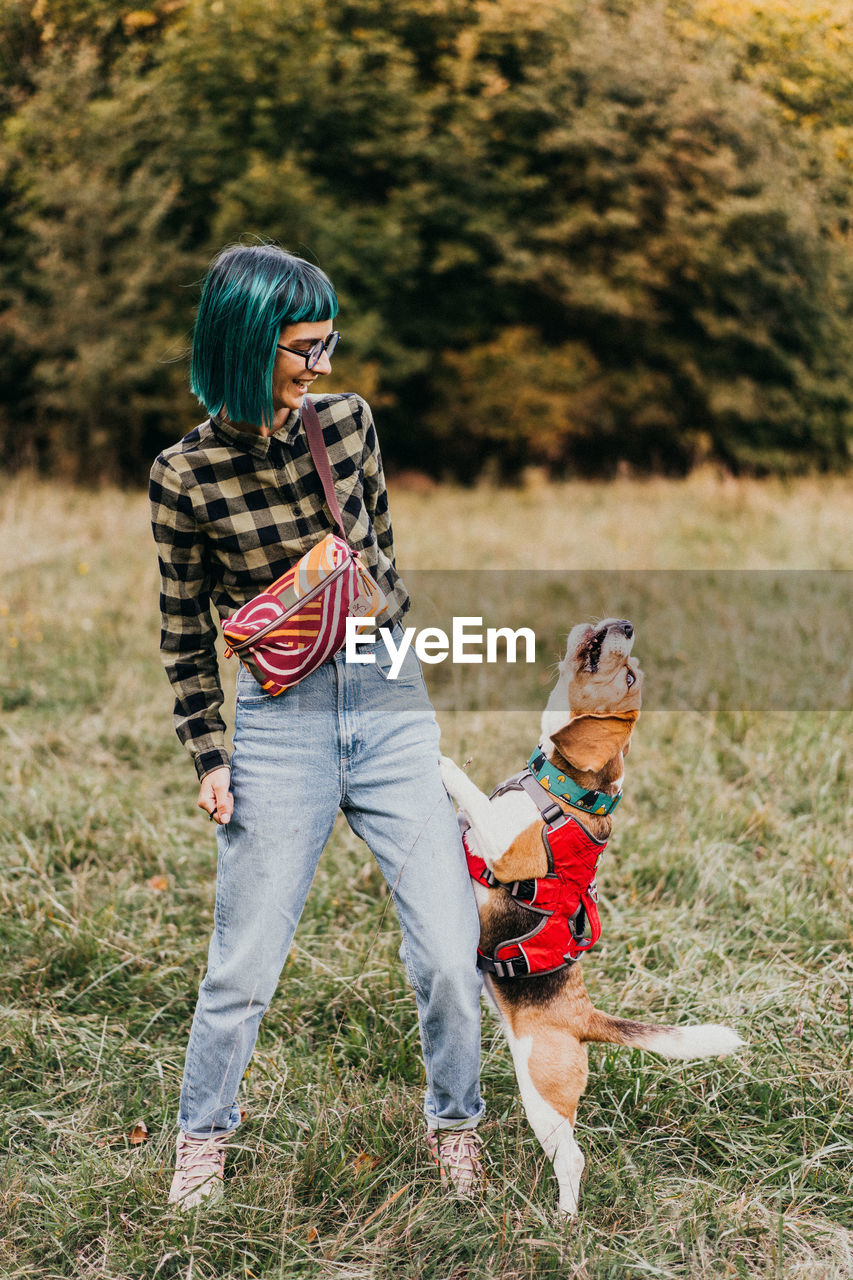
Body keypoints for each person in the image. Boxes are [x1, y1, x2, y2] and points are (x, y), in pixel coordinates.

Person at [149, 243, 484, 1209]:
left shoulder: (347, 426)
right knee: (243, 964)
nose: (323, 365)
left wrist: (374, 628)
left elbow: (381, 554)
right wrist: (211, 754)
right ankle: (202, 1138)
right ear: (247, 344)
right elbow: (183, 633)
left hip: (382, 700)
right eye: (303, 347)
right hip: (278, 724)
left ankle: (455, 1123)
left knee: (449, 955)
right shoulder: (185, 477)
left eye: (327, 341)